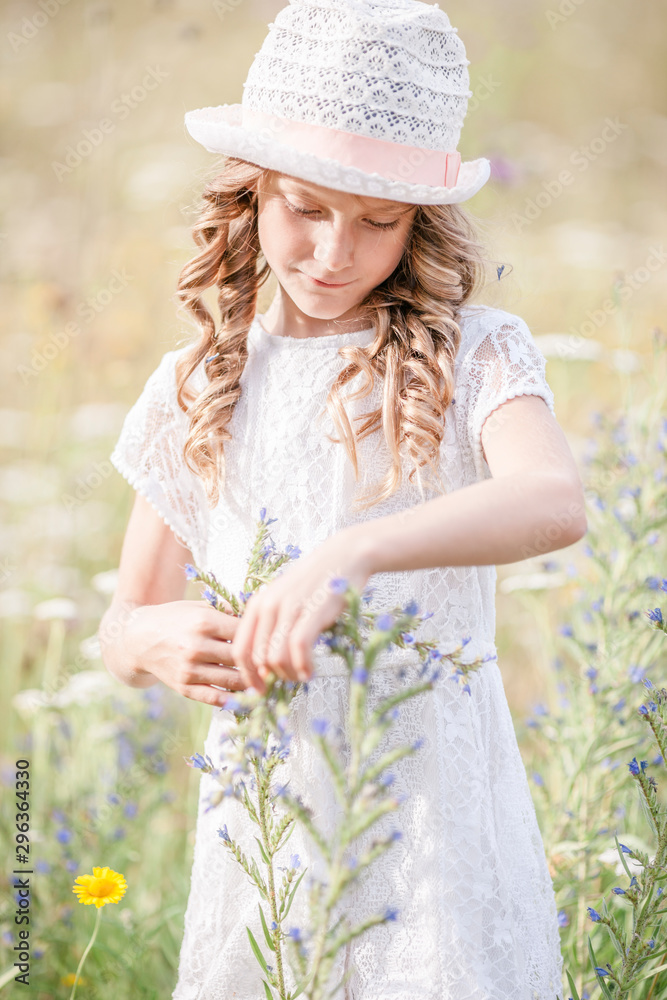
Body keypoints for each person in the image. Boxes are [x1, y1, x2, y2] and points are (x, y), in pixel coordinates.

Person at [100, 0, 586, 996]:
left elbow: (551, 499)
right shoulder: (198, 382)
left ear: (420, 223)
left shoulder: (474, 349)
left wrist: (343, 555)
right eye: (304, 209)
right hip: (265, 822)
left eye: (377, 222)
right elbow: (126, 616)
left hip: (431, 823)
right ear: (248, 195)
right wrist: (145, 643)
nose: (333, 253)